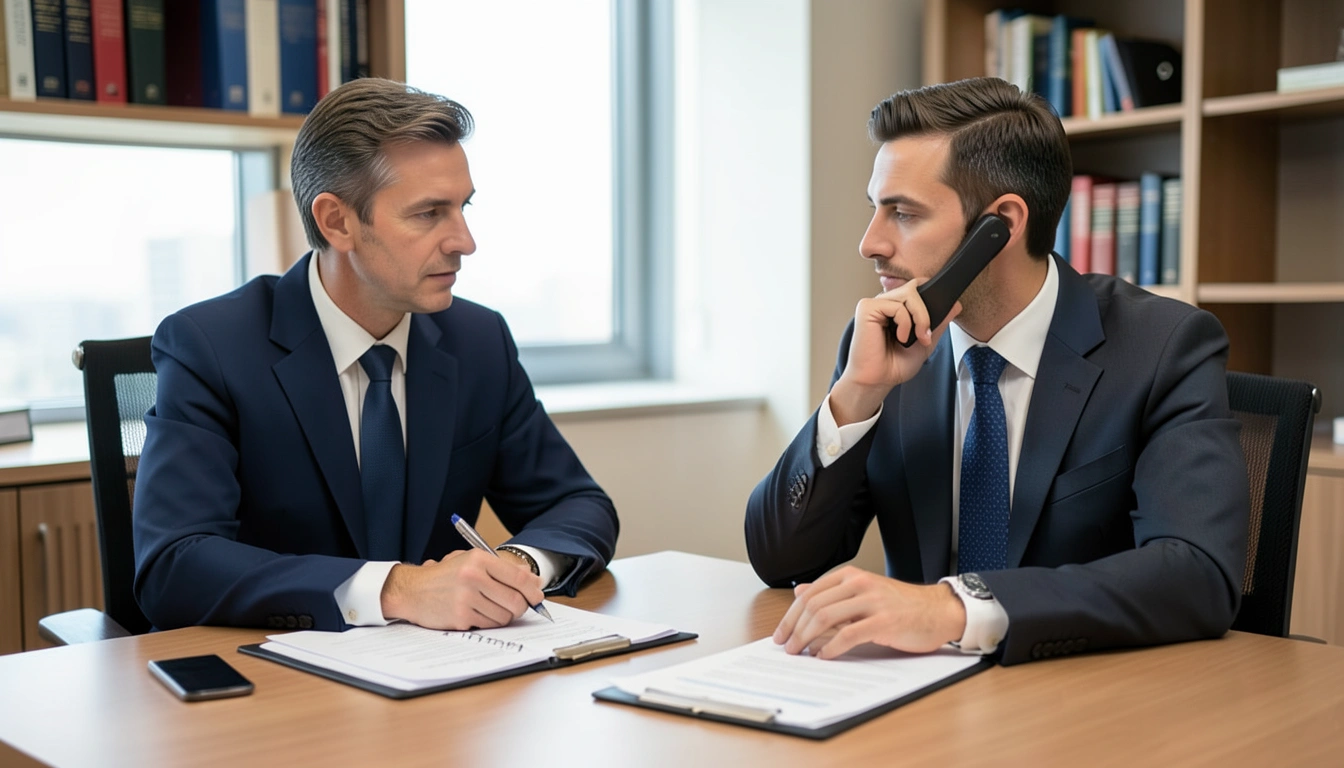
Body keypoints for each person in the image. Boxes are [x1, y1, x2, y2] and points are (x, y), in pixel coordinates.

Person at [745, 77, 1249, 666]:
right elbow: (781, 562)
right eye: (874, 210)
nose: (869, 243)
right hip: (910, 706)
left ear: (1001, 226)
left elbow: (1197, 572)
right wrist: (856, 396)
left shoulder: (1164, 347)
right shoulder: (884, 346)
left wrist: (956, 608)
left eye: (902, 213)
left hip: (1083, 701)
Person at [134, 78, 618, 633]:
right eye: (429, 213)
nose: (464, 240)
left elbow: (579, 504)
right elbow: (174, 565)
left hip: (436, 678)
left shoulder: (478, 340)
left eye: (463, 207)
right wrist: (395, 589)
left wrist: (513, 568)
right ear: (337, 221)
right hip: (276, 683)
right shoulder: (211, 345)